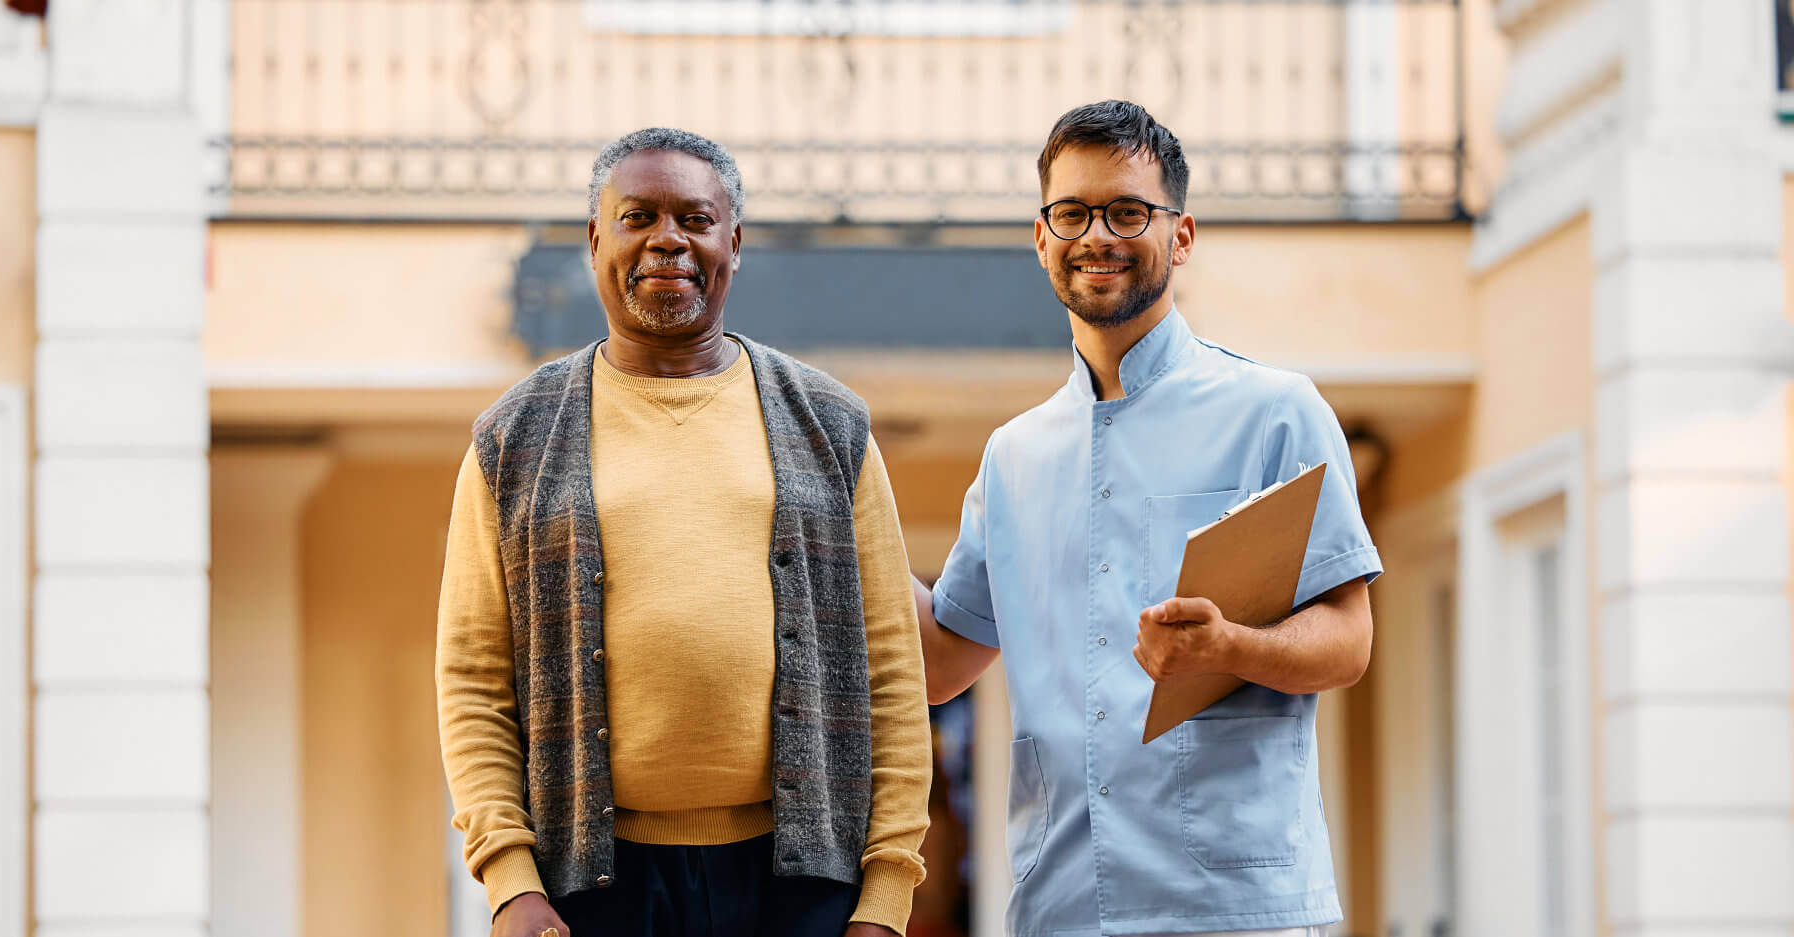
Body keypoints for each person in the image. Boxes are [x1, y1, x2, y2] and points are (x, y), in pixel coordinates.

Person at [437, 127, 931, 937]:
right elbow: (474, 679)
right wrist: (509, 879)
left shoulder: (830, 426)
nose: (668, 238)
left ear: (732, 242)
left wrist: (885, 897)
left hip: (802, 883)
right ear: (597, 240)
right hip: (586, 885)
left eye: (694, 218)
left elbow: (889, 669)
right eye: (638, 217)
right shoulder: (513, 439)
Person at [912, 100, 1381, 937]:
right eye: (1073, 213)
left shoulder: (1275, 413)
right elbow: (942, 660)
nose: (1098, 235)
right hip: (1061, 904)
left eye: (1129, 212)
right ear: (1041, 237)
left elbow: (1348, 643)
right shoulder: (1013, 455)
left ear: (1182, 235)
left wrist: (1231, 646)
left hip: (1238, 910)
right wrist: (842, 509)